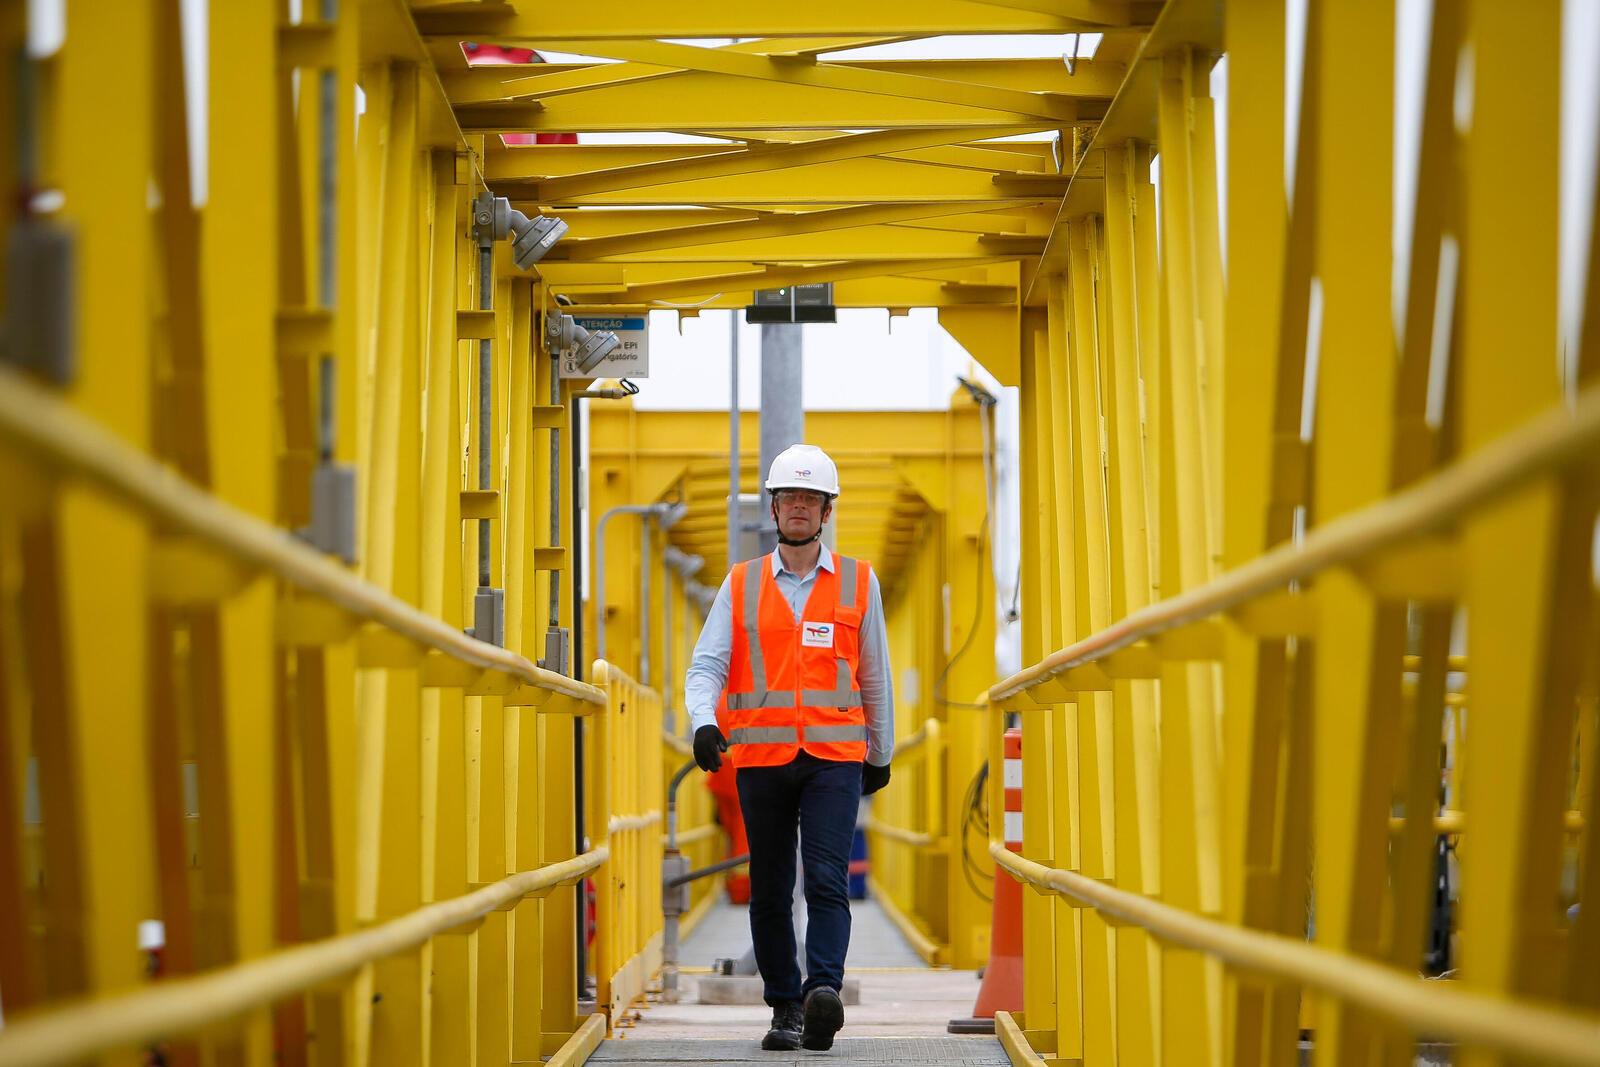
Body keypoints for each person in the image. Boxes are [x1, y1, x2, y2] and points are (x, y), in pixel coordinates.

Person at [686, 443, 895, 1052]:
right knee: (771, 885)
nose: (799, 508)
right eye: (789, 498)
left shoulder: (860, 581)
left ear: (827, 512)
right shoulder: (741, 583)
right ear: (773, 509)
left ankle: (820, 993)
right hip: (761, 760)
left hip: (834, 758)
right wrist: (703, 721)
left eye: (811, 498)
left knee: (827, 878)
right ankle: (784, 1006)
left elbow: (875, 675)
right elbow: (707, 666)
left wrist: (879, 753)